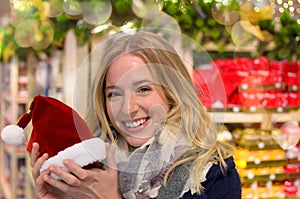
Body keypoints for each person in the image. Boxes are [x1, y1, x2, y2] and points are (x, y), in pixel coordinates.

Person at [30, 30, 242, 199]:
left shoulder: (214, 175)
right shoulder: (92, 166)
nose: (128, 108)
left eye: (143, 89)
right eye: (114, 93)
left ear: (172, 93)